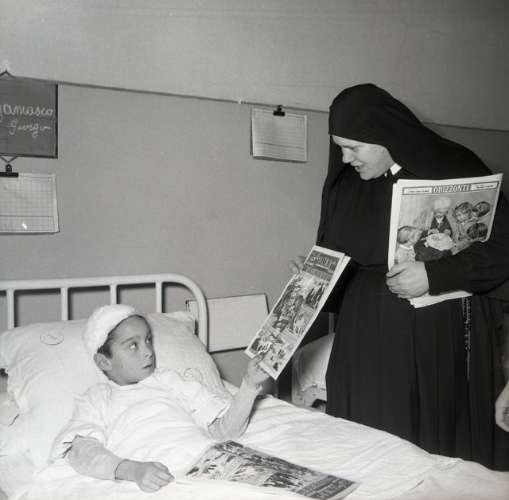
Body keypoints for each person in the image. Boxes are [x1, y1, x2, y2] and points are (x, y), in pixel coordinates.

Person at [292, 84, 509, 470]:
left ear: (384, 136)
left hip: (437, 332)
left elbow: (501, 247)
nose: (345, 158)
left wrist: (435, 274)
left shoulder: (454, 165)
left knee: (432, 445)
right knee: (369, 444)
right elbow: (340, 255)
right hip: (365, 336)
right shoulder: (345, 185)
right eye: (339, 147)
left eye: (354, 147)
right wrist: (319, 276)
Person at [51, 304, 269, 492]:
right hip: (155, 473)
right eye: (133, 345)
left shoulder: (168, 380)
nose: (148, 351)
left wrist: (249, 387)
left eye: (148, 340)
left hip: (206, 462)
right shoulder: (98, 397)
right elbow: (82, 452)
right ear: (104, 362)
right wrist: (132, 470)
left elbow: (222, 432)